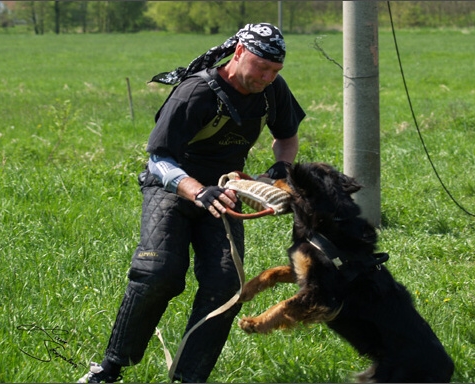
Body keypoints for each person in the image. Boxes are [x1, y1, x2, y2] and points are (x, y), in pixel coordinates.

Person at [78, 22, 305, 383]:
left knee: (225, 285)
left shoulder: (272, 90)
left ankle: (189, 377)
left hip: (223, 193)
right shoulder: (196, 92)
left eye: (275, 70)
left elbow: (287, 136)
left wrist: (281, 166)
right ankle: (110, 367)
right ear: (240, 53)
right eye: (261, 67)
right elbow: (158, 159)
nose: (267, 77)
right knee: (158, 275)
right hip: (172, 187)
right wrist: (198, 191)